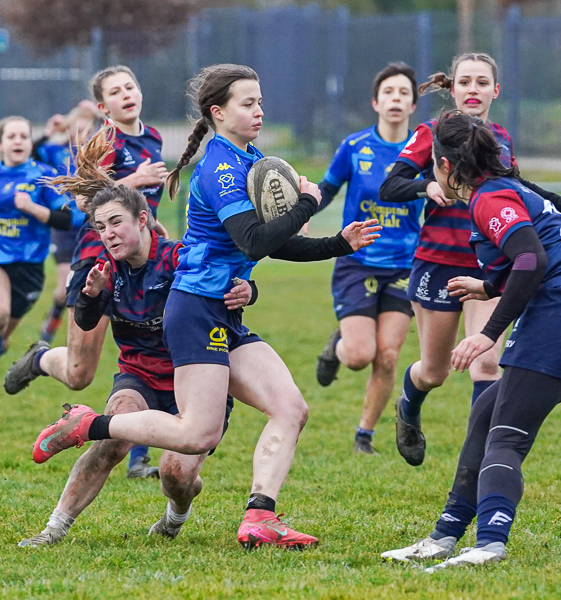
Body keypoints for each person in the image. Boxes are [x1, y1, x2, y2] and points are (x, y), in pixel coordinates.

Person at [29, 64, 381, 549]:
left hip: (222, 310)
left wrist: (338, 243)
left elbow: (270, 246)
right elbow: (253, 239)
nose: (259, 111)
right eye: (247, 103)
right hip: (196, 309)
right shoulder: (219, 166)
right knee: (194, 435)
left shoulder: (248, 158)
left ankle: (260, 516)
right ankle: (89, 424)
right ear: (218, 112)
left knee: (290, 408)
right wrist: (306, 203)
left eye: (260, 101)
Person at [380, 112, 561, 570]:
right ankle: (445, 534)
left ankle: (491, 542)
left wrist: (487, 333)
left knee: (507, 436)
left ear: (445, 167)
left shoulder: (488, 199)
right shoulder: (507, 190)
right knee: (487, 409)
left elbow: (531, 260)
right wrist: (487, 287)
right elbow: (534, 255)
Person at [19, 135, 251, 546]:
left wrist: (248, 291)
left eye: (116, 223)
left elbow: (230, 285)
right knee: (109, 441)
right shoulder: (106, 270)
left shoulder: (180, 258)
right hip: (139, 378)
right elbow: (88, 323)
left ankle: (176, 515)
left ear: (143, 220)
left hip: (194, 380)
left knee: (176, 475)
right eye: (99, 226)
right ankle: (53, 528)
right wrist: (90, 297)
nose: (107, 234)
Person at [377, 52, 561, 466]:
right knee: (435, 372)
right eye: (465, 82)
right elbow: (391, 186)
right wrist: (426, 185)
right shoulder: (430, 132)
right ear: (453, 88)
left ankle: (477, 459)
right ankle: (408, 406)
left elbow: (516, 187)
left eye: (482, 82)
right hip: (439, 263)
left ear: (495, 90)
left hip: (490, 265)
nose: (473, 90)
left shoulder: (499, 137)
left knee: (486, 361)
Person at [6, 66, 168, 478]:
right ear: (102, 106)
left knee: (155, 355)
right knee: (80, 376)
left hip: (143, 266)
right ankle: (41, 359)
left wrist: (152, 227)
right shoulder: (106, 143)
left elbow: (140, 208)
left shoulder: (153, 138)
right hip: (98, 262)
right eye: (115, 92)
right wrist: (136, 179)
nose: (126, 94)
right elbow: (83, 204)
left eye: (130, 86)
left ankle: (140, 458)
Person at [314, 63, 423, 455]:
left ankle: (365, 435)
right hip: (356, 260)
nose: (396, 98)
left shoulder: (422, 151)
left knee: (389, 354)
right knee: (361, 355)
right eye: (389, 92)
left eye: (404, 93)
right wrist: (300, 214)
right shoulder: (355, 146)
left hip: (403, 264)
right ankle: (338, 346)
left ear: (412, 103)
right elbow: (326, 189)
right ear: (376, 102)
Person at [0, 116, 72, 413]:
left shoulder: (44, 176)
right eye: (12, 136)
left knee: (1, 335)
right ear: (0, 144)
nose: (18, 141)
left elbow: (66, 218)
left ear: (30, 144)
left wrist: (32, 208)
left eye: (24, 136)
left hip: (29, 268)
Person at [33, 103, 99, 344]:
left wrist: (100, 113)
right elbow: (30, 153)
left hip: (91, 226)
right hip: (64, 227)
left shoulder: (98, 155)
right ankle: (52, 321)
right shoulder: (55, 152)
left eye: (87, 131)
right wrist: (48, 132)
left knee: (93, 282)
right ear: (69, 130)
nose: (81, 137)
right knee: (63, 289)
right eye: (77, 130)